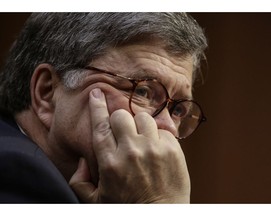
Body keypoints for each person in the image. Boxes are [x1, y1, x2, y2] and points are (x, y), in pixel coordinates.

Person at [0, 13, 207, 203]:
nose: (168, 127)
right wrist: (158, 202)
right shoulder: (17, 174)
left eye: (178, 110)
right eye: (143, 92)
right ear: (47, 92)